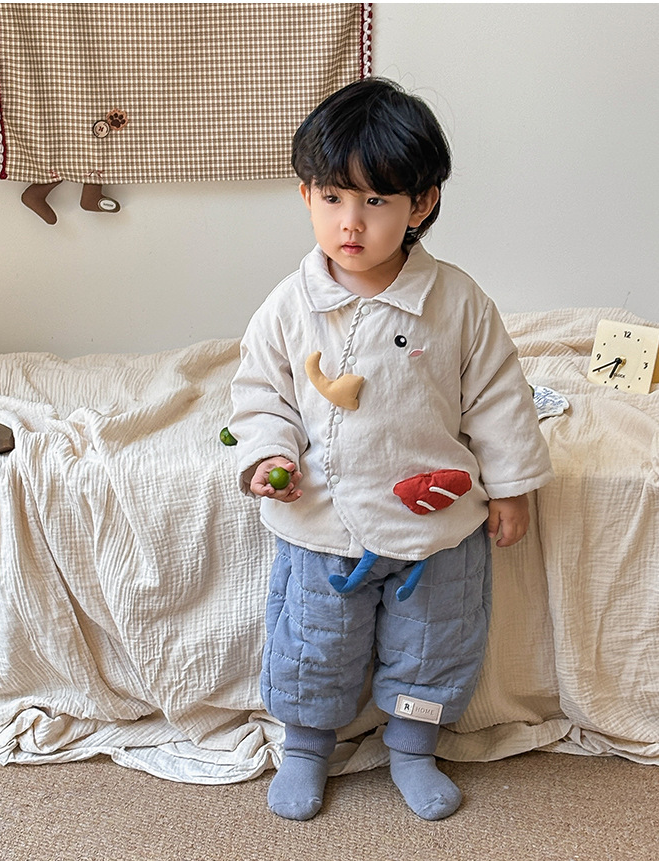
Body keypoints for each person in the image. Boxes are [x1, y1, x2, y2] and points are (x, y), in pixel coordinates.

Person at [228, 78, 553, 822]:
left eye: (376, 201)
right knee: (313, 645)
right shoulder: (289, 305)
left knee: (435, 645)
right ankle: (307, 747)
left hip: (435, 523)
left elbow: (498, 398)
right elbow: (260, 394)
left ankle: (412, 748)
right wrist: (269, 457)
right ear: (306, 195)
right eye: (333, 197)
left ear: (421, 204)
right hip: (323, 520)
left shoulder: (457, 302)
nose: (352, 221)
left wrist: (511, 486)